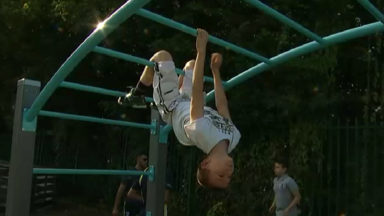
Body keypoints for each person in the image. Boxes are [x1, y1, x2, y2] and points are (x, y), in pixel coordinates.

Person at [119, 29, 241, 189]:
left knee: (162, 57)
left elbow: (198, 92)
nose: (228, 172)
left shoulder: (202, 134)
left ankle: (137, 93)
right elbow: (222, 105)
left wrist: (201, 51)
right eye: (229, 177)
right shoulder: (234, 137)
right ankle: (176, 83)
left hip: (172, 104)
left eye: (220, 175)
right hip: (189, 100)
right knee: (191, 64)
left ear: (205, 163)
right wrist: (215, 71)